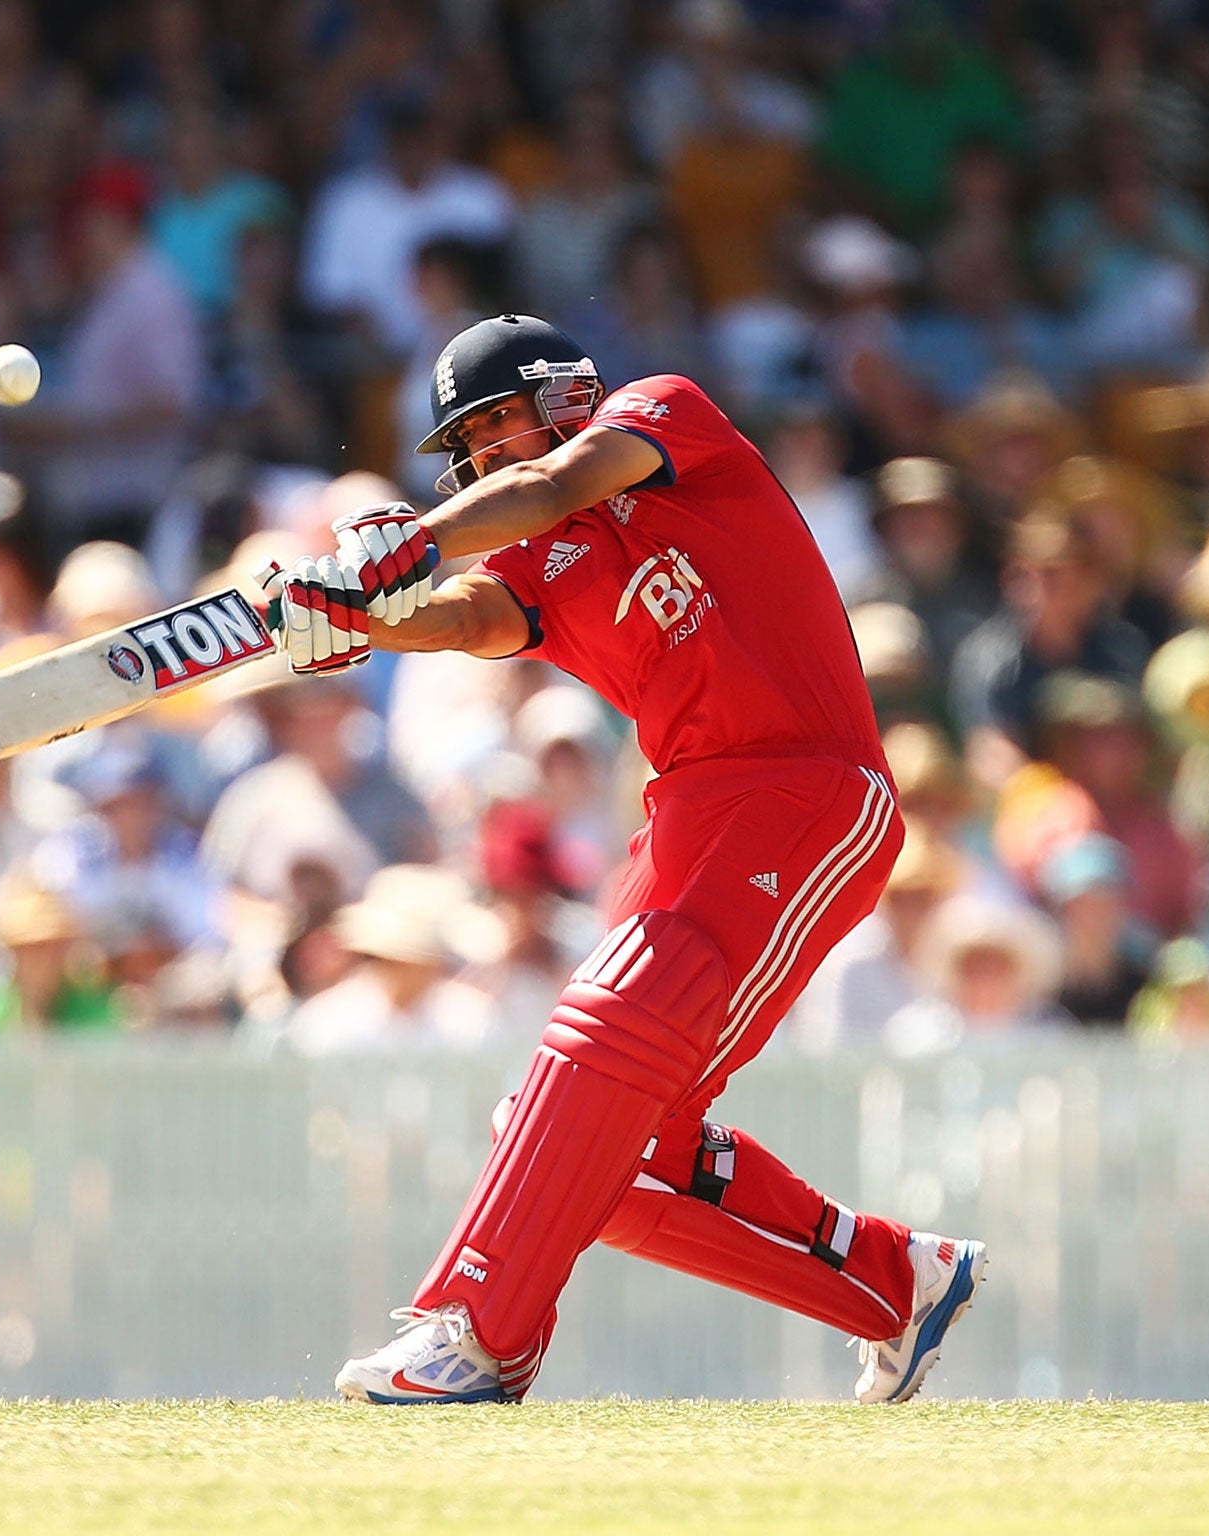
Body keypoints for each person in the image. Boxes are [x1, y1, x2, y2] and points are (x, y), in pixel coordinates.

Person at [263, 313, 983, 1405]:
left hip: (802, 788)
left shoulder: (658, 416)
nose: (484, 454)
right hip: (686, 811)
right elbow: (466, 618)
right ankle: (892, 1283)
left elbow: (553, 486)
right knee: (580, 1138)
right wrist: (350, 618)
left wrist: (408, 540)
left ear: (558, 394)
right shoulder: (528, 559)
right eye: (467, 444)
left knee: (606, 1033)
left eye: (497, 423)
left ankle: (478, 1333)